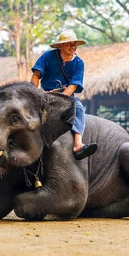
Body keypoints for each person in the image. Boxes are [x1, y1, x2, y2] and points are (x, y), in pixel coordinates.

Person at [30, 29, 97, 160]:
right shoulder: (48, 56)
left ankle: (78, 143)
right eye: (69, 44)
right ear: (60, 45)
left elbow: (73, 85)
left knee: (78, 108)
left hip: (66, 95)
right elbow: (36, 75)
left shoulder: (79, 63)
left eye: (75, 44)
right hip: (45, 93)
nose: (73, 47)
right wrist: (34, 91)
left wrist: (61, 99)